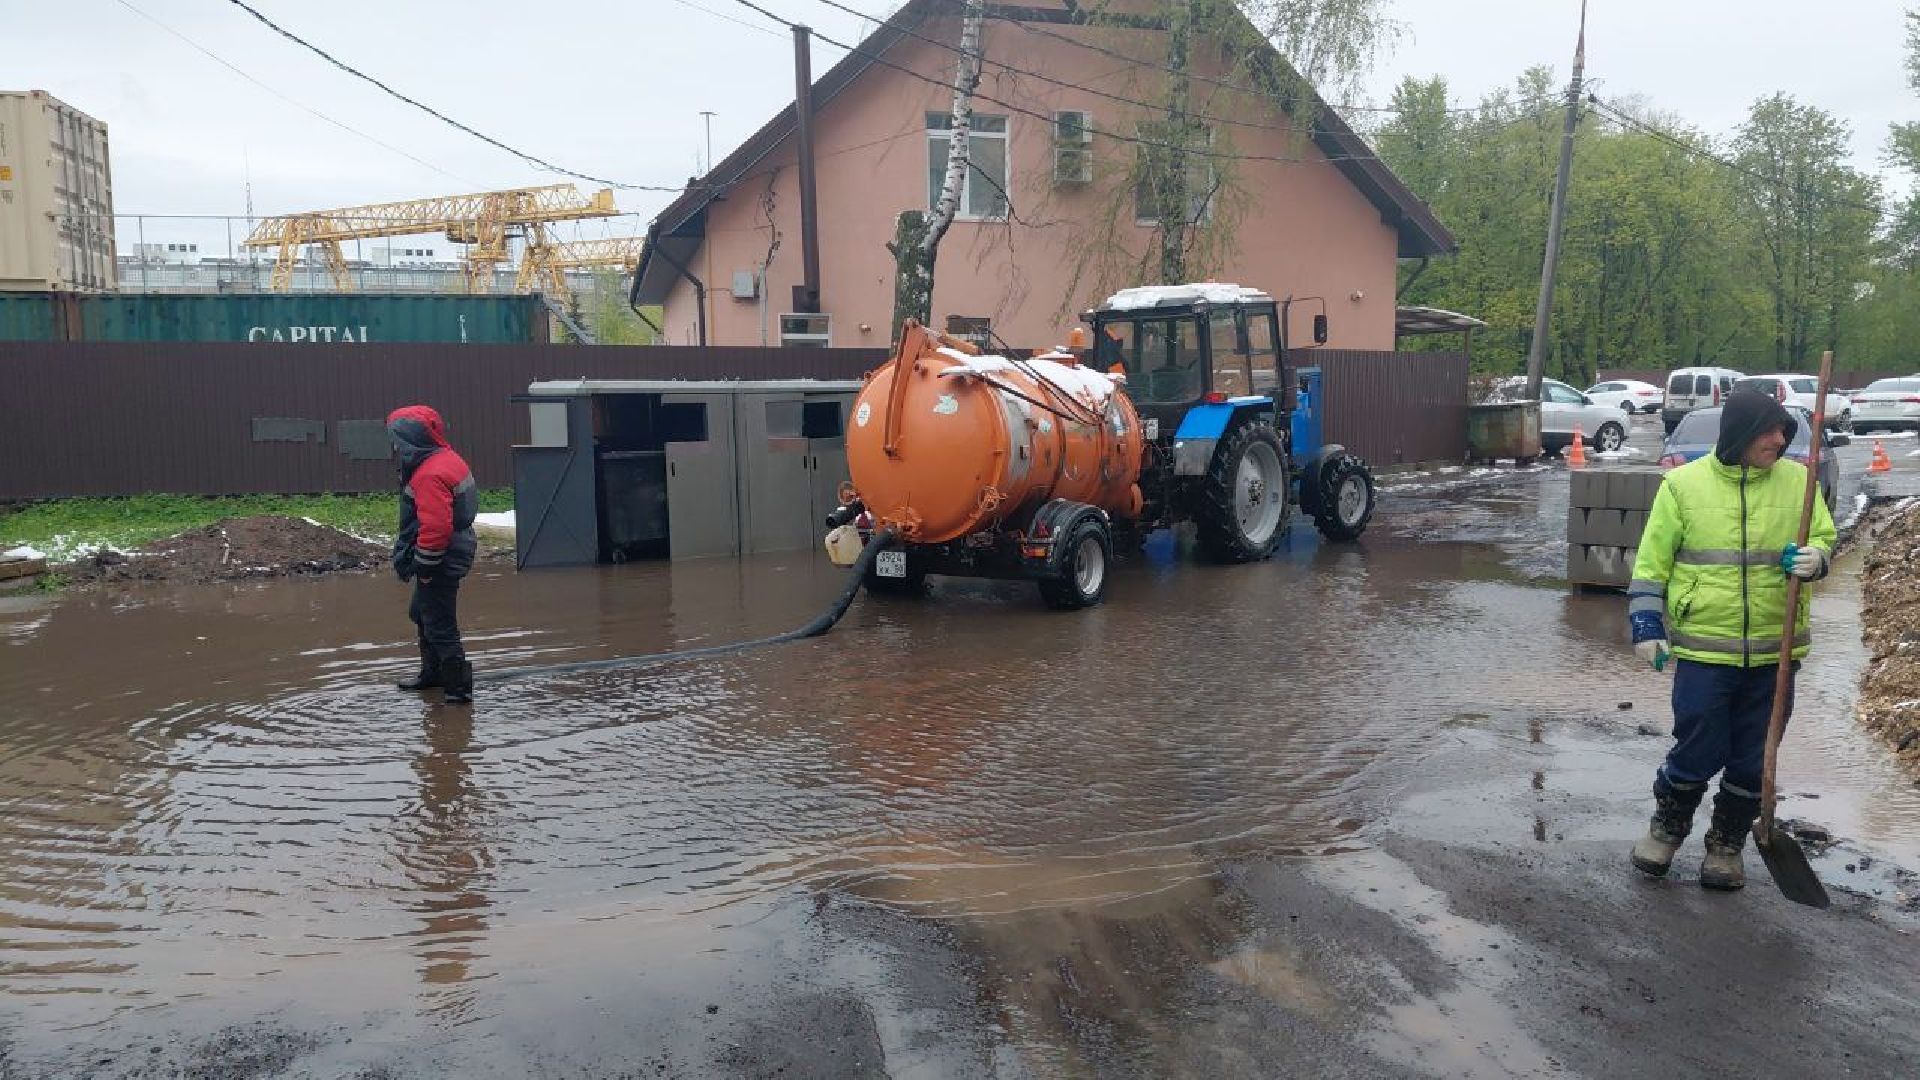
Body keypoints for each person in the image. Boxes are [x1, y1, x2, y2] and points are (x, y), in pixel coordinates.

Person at [1626, 389, 1834, 889]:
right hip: (1704, 649)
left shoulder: (1798, 484)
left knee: (1752, 755)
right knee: (1697, 744)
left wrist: (1816, 559)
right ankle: (1667, 829)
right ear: (1741, 433)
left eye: (1784, 430)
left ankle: (1726, 846)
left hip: (1774, 652)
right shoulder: (1682, 487)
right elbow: (1652, 564)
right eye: (1770, 430)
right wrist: (1646, 624)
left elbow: (1824, 538)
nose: (1780, 439)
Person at [387, 405, 479, 704]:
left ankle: (457, 690)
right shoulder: (445, 459)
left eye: (398, 439)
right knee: (422, 613)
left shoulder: (430, 473)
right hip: (452, 548)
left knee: (439, 623)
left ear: (412, 439)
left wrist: (424, 566)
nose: (395, 446)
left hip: (442, 556)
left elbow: (436, 528)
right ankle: (433, 674)